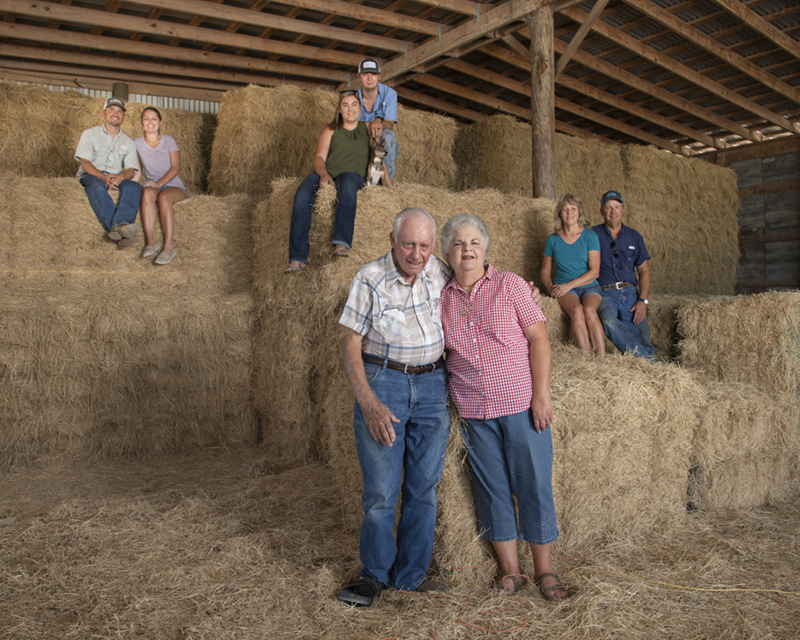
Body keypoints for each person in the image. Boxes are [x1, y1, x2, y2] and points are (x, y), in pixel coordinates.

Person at [440, 214, 566, 601]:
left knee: (534, 485)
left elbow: (539, 339)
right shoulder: (440, 298)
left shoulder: (511, 285)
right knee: (491, 491)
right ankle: (511, 572)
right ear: (447, 252)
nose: (468, 250)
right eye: (459, 243)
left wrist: (541, 394)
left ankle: (544, 570)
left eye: (475, 242)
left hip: (520, 405)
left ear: (486, 248)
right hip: (475, 412)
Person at [337, 208, 450, 606]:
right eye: (408, 244)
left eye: (423, 245)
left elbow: (478, 279)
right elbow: (350, 342)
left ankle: (411, 576)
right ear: (392, 241)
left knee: (424, 488)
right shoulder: (369, 278)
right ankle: (374, 576)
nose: (416, 254)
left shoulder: (440, 271)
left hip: (434, 385)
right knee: (383, 491)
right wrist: (368, 402)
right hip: (384, 382)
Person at [285, 90, 370, 274]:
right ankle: (298, 257)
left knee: (347, 184)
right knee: (303, 193)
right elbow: (319, 157)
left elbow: (381, 152)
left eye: (354, 104)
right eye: (345, 105)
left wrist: (387, 181)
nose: (350, 109)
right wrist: (323, 174)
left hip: (353, 176)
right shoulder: (330, 129)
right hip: (330, 172)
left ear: (361, 108)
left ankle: (342, 243)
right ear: (339, 110)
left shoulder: (368, 129)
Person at [592, 190, 656, 360]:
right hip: (605, 292)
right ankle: (648, 362)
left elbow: (644, 271)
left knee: (640, 332)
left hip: (630, 293)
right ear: (601, 211)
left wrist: (643, 301)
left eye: (616, 207)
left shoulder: (634, 237)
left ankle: (645, 362)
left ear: (623, 209)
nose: (613, 212)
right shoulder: (592, 235)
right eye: (608, 208)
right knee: (607, 319)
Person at [540, 194, 605, 356]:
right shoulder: (553, 239)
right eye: (565, 209)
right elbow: (545, 271)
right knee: (576, 310)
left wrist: (570, 284)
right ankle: (586, 358)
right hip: (564, 288)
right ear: (560, 214)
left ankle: (602, 359)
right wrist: (551, 288)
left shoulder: (590, 236)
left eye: (573, 209)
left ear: (579, 212)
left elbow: (594, 271)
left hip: (589, 285)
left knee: (589, 311)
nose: (569, 213)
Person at [75, 97, 142, 249]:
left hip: (116, 176)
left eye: (119, 111)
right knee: (96, 184)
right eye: (111, 110)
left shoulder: (129, 143)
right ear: (104, 113)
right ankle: (120, 230)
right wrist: (102, 176)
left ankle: (119, 227)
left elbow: (130, 169)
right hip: (93, 175)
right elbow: (85, 163)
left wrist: (120, 177)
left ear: (123, 116)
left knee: (134, 186)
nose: (115, 113)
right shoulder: (89, 134)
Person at [134, 107, 187, 265]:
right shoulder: (136, 143)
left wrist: (159, 183)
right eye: (146, 119)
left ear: (160, 122)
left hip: (173, 185)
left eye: (153, 118)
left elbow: (176, 167)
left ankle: (169, 247)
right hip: (153, 186)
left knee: (164, 198)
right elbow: (137, 170)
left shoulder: (168, 140)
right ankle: (151, 243)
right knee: (147, 194)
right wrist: (128, 186)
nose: (150, 122)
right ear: (142, 123)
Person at [357, 58, 397, 186]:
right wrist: (368, 125)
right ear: (359, 77)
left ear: (379, 76)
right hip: (363, 136)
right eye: (365, 74)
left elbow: (389, 125)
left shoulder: (390, 94)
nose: (369, 78)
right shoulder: (353, 97)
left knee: (389, 136)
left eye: (373, 74)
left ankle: (385, 184)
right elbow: (350, 127)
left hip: (380, 137)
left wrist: (378, 122)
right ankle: (362, 182)